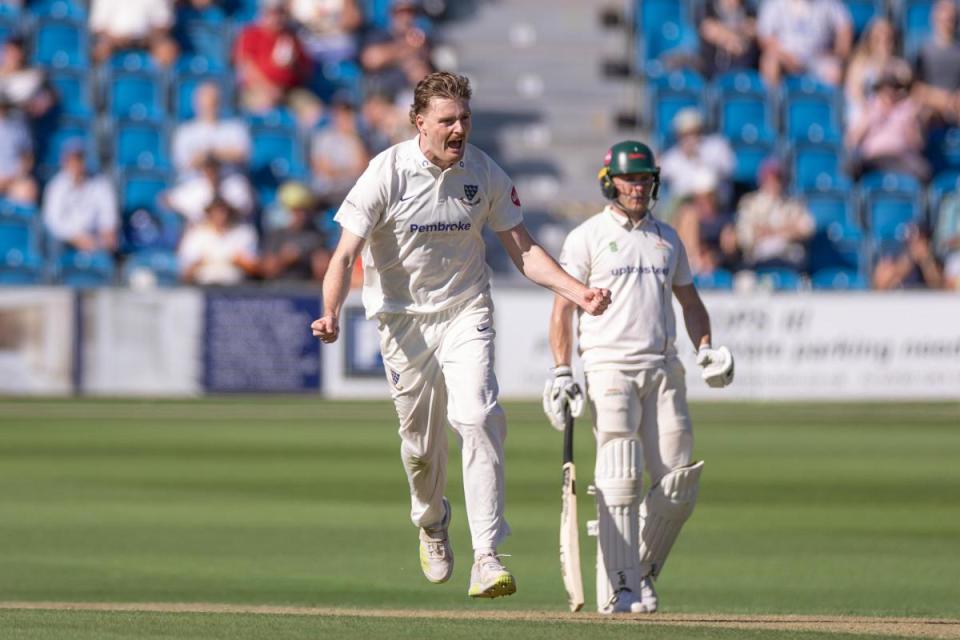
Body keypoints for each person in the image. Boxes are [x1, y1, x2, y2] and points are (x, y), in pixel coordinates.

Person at [310, 71, 611, 600]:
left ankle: (487, 555)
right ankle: (431, 521)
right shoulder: (387, 172)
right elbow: (344, 255)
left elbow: (523, 250)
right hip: (403, 323)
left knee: (477, 416)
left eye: (464, 119)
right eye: (447, 120)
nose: (458, 129)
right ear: (419, 123)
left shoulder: (484, 172)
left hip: (465, 310)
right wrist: (332, 311)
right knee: (422, 451)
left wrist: (577, 291)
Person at [543, 140, 734, 614]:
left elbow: (690, 302)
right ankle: (620, 586)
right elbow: (562, 309)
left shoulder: (668, 238)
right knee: (621, 472)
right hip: (610, 365)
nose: (638, 187)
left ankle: (639, 570)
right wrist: (563, 370)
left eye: (646, 178)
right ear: (610, 182)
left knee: (679, 483)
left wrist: (705, 348)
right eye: (630, 179)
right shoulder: (586, 237)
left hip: (664, 367)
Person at [844, 67, 931, 182]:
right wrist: (869, 118)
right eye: (885, 88)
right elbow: (851, 141)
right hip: (873, 157)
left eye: (894, 87)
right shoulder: (869, 107)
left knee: (923, 170)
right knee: (849, 168)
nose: (890, 92)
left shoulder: (907, 109)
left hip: (899, 157)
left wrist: (910, 124)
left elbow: (918, 144)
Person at [735, 157, 814, 271]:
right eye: (769, 178)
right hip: (758, 261)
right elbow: (744, 236)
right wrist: (787, 229)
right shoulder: (750, 203)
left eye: (777, 178)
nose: (773, 183)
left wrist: (771, 231)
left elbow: (807, 229)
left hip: (788, 259)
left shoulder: (793, 204)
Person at [233, 0, 312, 113]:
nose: (276, 18)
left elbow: (306, 72)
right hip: (258, 89)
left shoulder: (292, 37)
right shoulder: (251, 34)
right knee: (266, 107)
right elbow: (247, 68)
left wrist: (295, 64)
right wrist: (269, 88)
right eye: (272, 13)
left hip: (289, 90)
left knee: (312, 110)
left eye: (280, 13)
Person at [42, 139, 118, 253]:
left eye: (80, 159)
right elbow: (53, 222)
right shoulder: (56, 186)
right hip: (65, 242)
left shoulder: (100, 183)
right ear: (65, 161)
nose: (76, 164)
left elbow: (108, 216)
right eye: (72, 159)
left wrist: (107, 232)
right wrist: (76, 238)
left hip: (94, 239)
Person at [757, 0, 852, 87]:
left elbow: (844, 29)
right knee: (770, 62)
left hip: (819, 57)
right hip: (786, 57)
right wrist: (785, 56)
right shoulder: (774, 4)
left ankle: (830, 104)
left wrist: (838, 54)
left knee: (836, 72)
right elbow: (765, 37)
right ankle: (774, 101)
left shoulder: (828, 3)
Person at [171, 82, 251, 180]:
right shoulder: (185, 131)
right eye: (204, 103)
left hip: (229, 180)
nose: (209, 106)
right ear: (196, 104)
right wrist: (205, 158)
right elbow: (183, 163)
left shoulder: (234, 127)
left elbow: (242, 154)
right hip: (195, 181)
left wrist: (213, 154)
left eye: (213, 102)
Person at [659, 108, 735, 209]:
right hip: (684, 204)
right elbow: (659, 173)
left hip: (714, 202)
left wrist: (701, 159)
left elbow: (729, 169)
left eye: (693, 132)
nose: (690, 138)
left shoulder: (717, 146)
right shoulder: (673, 156)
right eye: (685, 134)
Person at [177, 196, 259, 285]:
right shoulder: (195, 235)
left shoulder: (244, 233)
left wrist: (237, 261)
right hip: (202, 287)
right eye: (216, 211)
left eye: (223, 211)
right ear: (209, 213)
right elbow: (185, 272)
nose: (220, 215)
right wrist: (200, 263)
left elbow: (254, 268)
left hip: (236, 288)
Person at [261, 181, 331, 282]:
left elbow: (322, 271)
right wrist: (285, 258)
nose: (301, 215)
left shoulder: (316, 235)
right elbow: (267, 269)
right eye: (295, 210)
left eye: (303, 210)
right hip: (278, 290)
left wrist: (321, 265)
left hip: (306, 291)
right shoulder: (275, 235)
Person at [89, 0, 178, 67]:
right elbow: (98, 27)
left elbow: (163, 24)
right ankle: (100, 88)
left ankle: (164, 89)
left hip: (148, 40)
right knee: (99, 51)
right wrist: (116, 39)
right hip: (113, 41)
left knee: (167, 51)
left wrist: (146, 38)